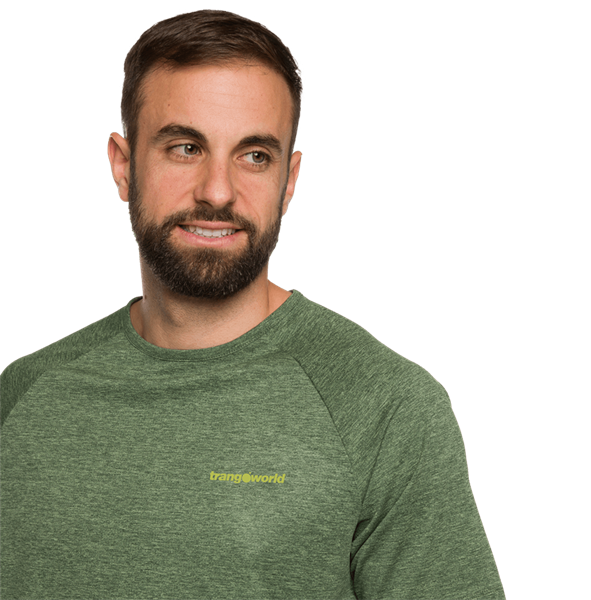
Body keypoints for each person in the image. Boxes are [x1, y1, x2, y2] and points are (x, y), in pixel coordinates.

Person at [0, 10, 505, 600]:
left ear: (290, 179)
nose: (217, 191)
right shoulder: (21, 396)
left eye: (255, 155)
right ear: (123, 165)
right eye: (185, 148)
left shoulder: (387, 407)